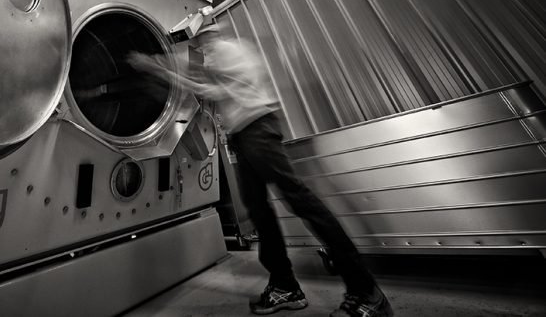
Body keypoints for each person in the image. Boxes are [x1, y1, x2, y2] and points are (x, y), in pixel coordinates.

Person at [127, 23, 393, 317]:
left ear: (211, 35)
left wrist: (155, 67)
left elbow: (203, 84)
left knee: (300, 200)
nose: (199, 46)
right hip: (243, 135)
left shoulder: (228, 52)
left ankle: (365, 290)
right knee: (259, 212)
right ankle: (285, 286)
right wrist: (159, 63)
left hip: (258, 130)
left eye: (201, 39)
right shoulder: (220, 53)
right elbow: (192, 69)